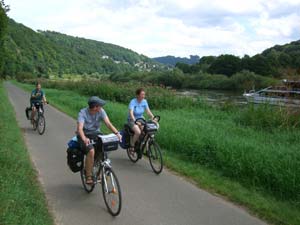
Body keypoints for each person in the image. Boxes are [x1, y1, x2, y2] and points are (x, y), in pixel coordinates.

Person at [77, 96, 122, 185]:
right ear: (94, 107)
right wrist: (84, 138)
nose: (101, 107)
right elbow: (80, 129)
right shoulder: (82, 113)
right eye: (100, 106)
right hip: (84, 135)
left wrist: (117, 133)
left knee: (106, 147)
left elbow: (108, 124)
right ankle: (88, 175)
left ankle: (96, 166)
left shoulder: (101, 111)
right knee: (91, 151)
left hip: (96, 134)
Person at [127, 88, 155, 152]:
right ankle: (132, 145)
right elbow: (131, 113)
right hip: (132, 119)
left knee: (147, 131)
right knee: (138, 132)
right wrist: (135, 121)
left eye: (144, 95)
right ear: (137, 95)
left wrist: (153, 118)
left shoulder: (144, 101)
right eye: (142, 94)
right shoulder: (133, 101)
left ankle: (143, 144)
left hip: (141, 119)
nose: (143, 96)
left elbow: (148, 111)